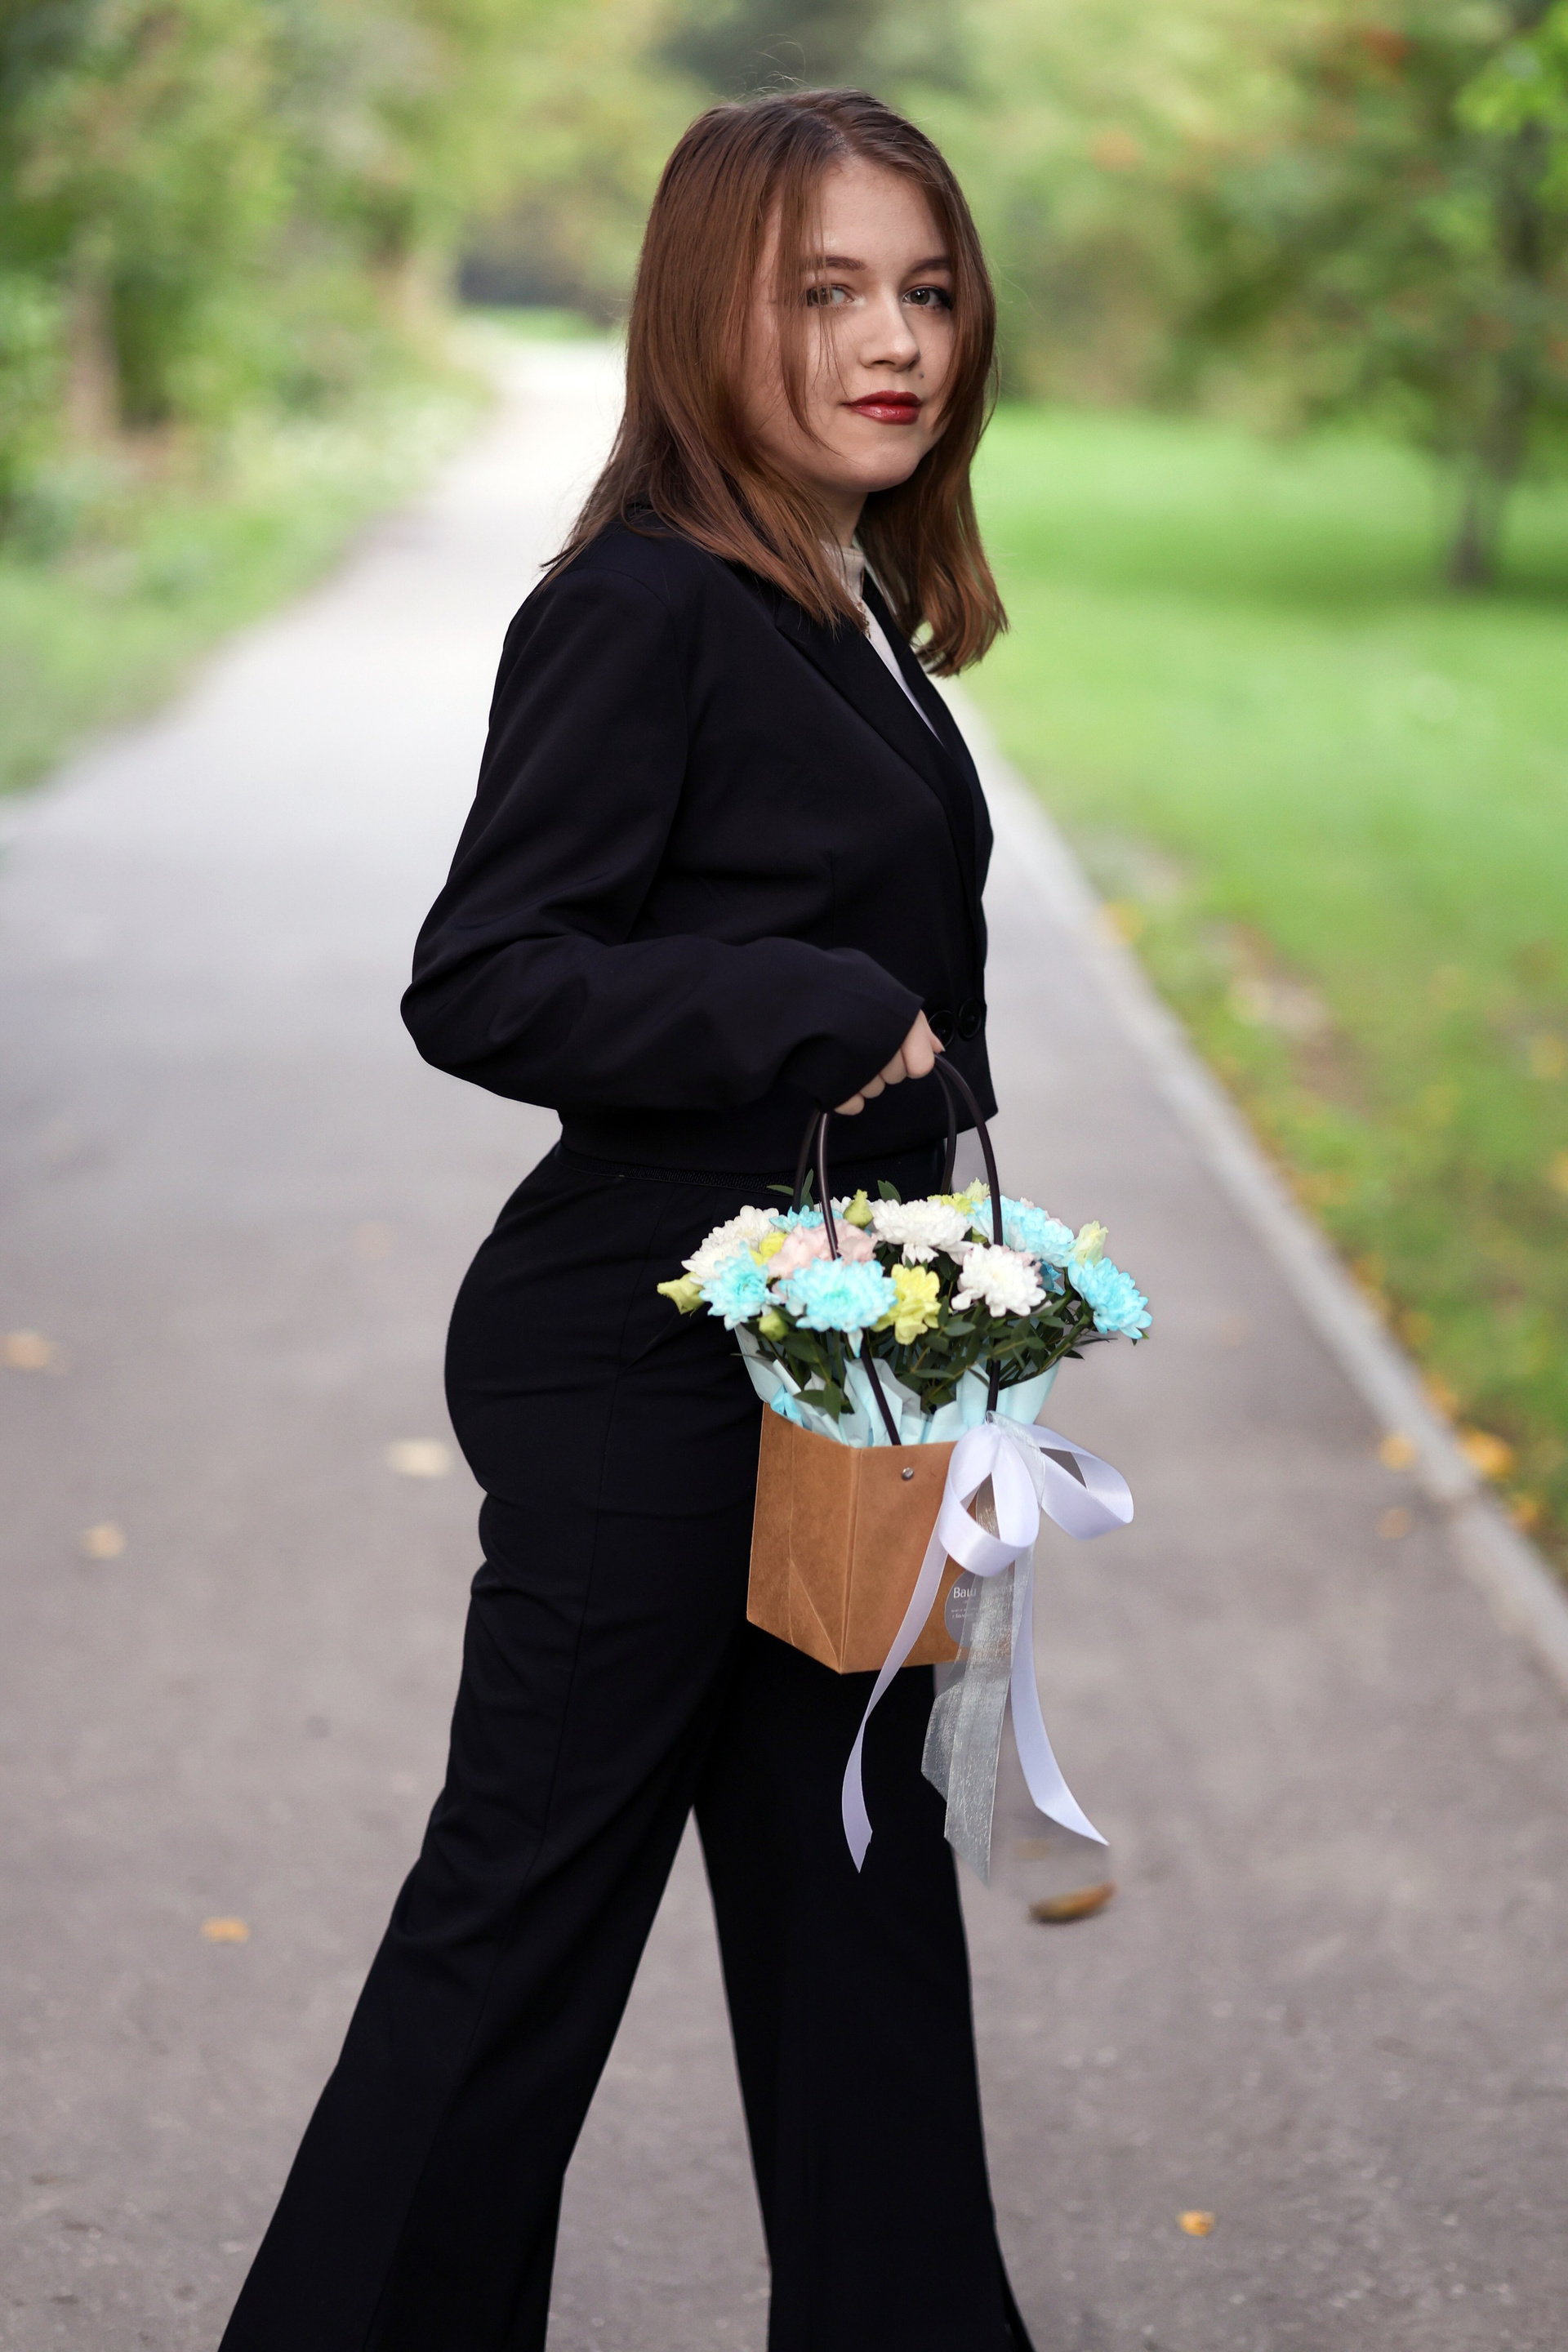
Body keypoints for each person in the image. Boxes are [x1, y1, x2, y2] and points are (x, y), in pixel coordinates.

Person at [220, 87, 1032, 2352]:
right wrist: (809, 1006)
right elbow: (485, 975)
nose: (896, 342)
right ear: (703, 313)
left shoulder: (845, 594)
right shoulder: (646, 601)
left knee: (857, 1895)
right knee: (527, 1921)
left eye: (927, 290)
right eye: (826, 292)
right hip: (650, 1355)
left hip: (842, 1346)